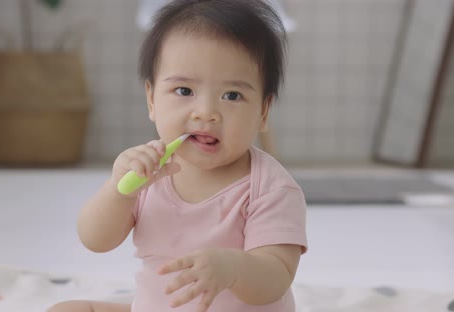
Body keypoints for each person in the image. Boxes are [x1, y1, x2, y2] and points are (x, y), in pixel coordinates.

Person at [49, 0, 307, 311]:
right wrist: (119, 191)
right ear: (152, 99)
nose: (207, 113)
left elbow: (276, 278)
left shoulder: (270, 188)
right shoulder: (147, 169)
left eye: (232, 95)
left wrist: (233, 269)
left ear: (263, 112)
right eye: (184, 91)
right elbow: (95, 239)